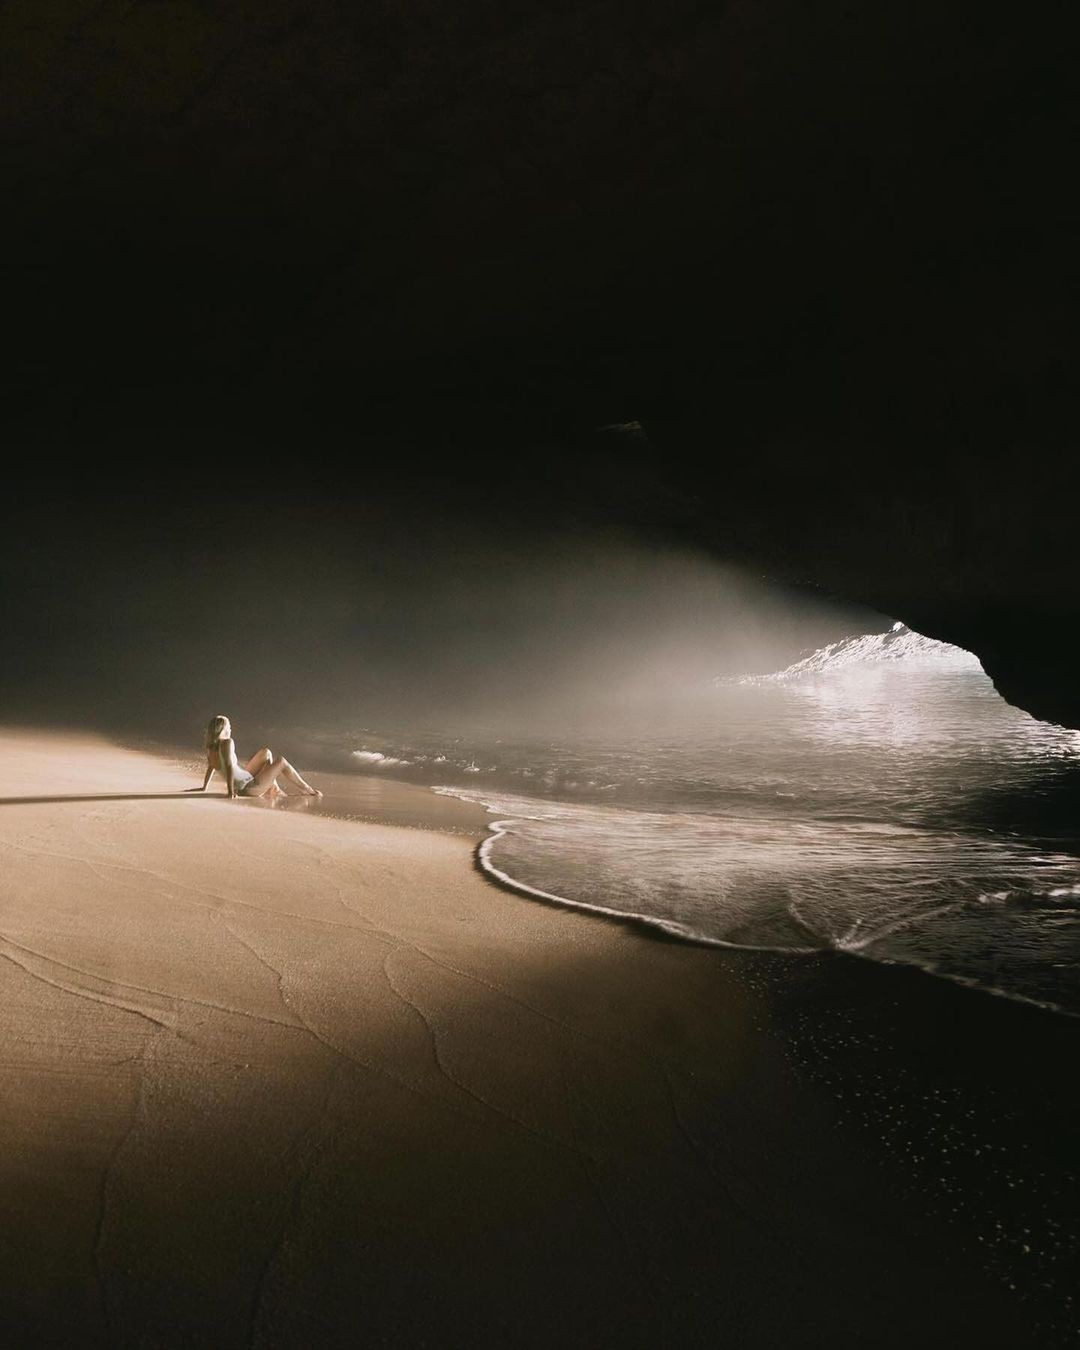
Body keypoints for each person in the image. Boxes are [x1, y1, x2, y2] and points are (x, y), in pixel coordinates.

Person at [195, 715, 323, 799]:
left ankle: (274, 789)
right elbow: (228, 766)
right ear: (223, 729)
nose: (231, 729)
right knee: (281, 761)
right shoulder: (227, 743)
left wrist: (204, 787)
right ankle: (307, 789)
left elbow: (211, 766)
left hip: (242, 783)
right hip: (249, 787)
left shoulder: (210, 747)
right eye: (229, 726)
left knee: (266, 752)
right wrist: (230, 792)